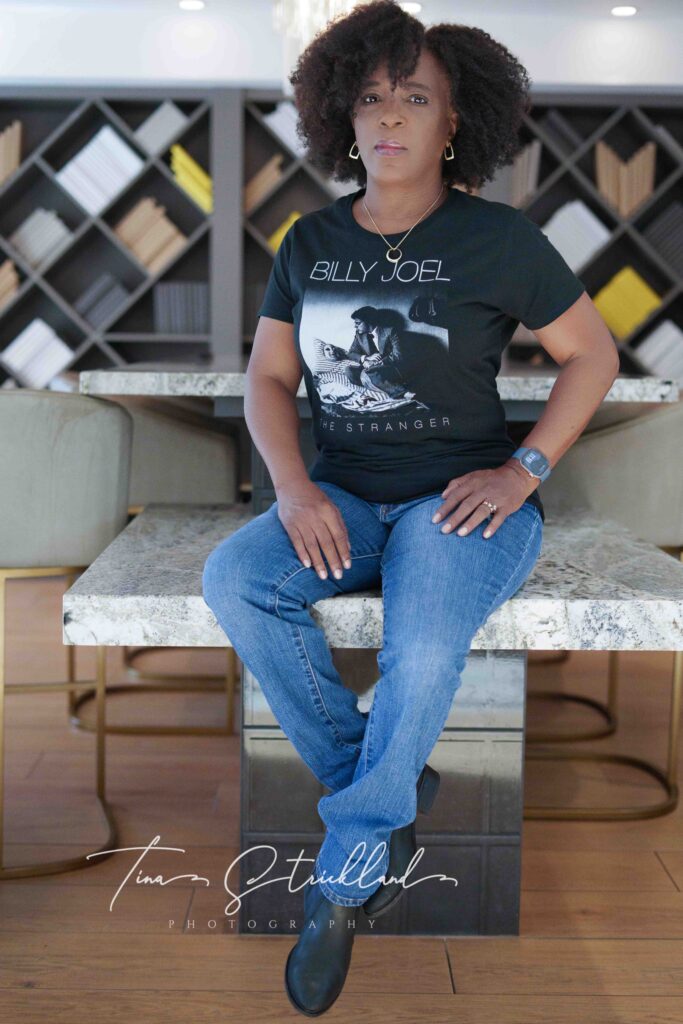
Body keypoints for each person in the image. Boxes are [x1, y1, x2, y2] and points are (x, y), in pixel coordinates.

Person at [202, 0, 620, 1016]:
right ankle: (383, 791)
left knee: (421, 649)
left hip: (459, 507)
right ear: (343, 119)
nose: (389, 118)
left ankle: (342, 879)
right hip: (340, 494)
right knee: (236, 579)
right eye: (372, 98)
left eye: (415, 99)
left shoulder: (497, 238)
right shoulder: (310, 239)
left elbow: (590, 355)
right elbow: (267, 379)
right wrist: (293, 487)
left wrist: (523, 467)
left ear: (452, 124)